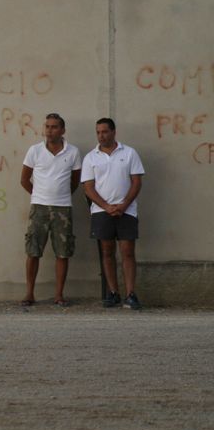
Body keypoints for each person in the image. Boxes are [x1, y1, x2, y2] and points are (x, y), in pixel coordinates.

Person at [80, 117, 145, 310]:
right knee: (107, 252)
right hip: (101, 211)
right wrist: (106, 206)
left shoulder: (129, 153)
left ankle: (130, 294)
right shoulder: (90, 157)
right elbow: (88, 188)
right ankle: (113, 292)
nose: (101, 136)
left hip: (127, 211)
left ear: (114, 132)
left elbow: (136, 182)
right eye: (98, 132)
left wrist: (123, 205)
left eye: (105, 132)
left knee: (127, 252)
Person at [20, 113, 82, 307]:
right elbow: (24, 180)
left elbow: (75, 181)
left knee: (62, 252)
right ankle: (29, 293)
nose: (49, 130)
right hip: (39, 208)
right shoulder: (35, 150)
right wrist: (39, 195)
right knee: (33, 251)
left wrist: (60, 196)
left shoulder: (73, 152)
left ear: (62, 130)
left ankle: (59, 295)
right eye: (47, 126)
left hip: (63, 209)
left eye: (54, 127)